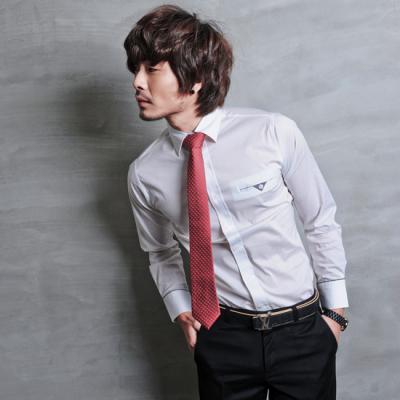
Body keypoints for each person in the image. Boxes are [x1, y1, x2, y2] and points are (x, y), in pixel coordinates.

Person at [124, 4, 349, 400]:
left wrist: (335, 314)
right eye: (135, 69)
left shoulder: (273, 133)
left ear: (195, 78)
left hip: (302, 330)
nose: (137, 82)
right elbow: (159, 252)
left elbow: (319, 219)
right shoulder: (145, 173)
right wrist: (181, 311)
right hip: (222, 337)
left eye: (152, 69)